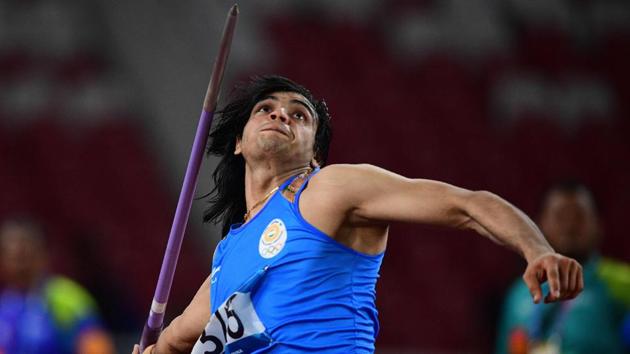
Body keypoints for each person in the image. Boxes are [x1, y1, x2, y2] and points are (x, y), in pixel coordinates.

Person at [134, 75, 583, 354]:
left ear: (315, 153)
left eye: (299, 115)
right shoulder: (227, 257)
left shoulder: (327, 189)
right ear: (238, 142)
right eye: (265, 110)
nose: (281, 116)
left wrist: (537, 249)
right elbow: (175, 339)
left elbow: (468, 205)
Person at [495, 181, 627, 354]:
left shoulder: (622, 284)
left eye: (579, 217)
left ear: (598, 226)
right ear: (538, 225)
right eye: (560, 217)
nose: (569, 226)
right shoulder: (518, 294)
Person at [0, 217, 115, 354]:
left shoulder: (68, 298)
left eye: (23, 255)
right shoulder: (4, 306)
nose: (19, 266)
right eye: (11, 256)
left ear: (43, 254)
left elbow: (98, 349)